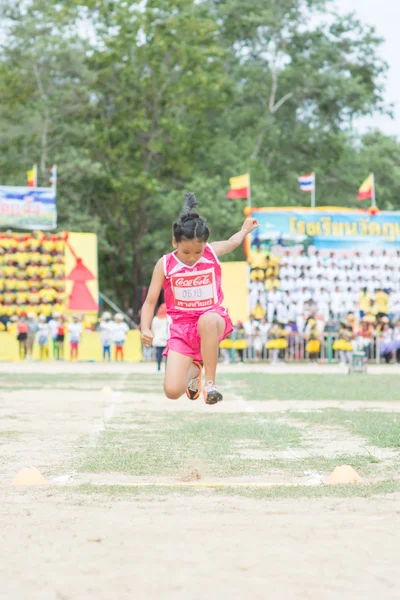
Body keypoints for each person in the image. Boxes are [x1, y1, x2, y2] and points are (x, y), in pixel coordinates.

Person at [140, 192, 258, 404]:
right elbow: (150, 302)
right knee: (172, 391)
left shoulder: (211, 253)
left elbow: (233, 242)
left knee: (207, 319)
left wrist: (244, 230)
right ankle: (195, 372)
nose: (193, 257)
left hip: (212, 320)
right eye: (187, 252)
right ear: (174, 242)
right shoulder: (165, 264)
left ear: (206, 244)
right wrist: (145, 327)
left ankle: (210, 385)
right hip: (181, 329)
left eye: (198, 251)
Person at [151, 303, 169, 371]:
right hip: (166, 338)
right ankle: (166, 368)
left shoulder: (155, 319)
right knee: (167, 355)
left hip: (157, 338)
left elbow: (153, 329)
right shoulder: (167, 318)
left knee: (159, 353)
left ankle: (158, 367)